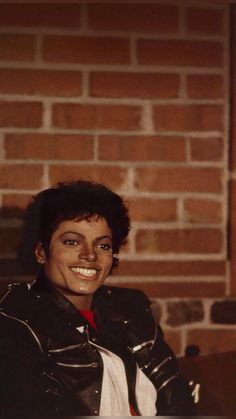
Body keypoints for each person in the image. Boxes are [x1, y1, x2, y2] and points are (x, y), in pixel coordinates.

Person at [0, 180, 195, 416]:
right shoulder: (15, 319)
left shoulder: (131, 308)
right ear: (41, 251)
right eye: (72, 242)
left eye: (102, 245)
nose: (89, 255)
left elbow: (178, 399)